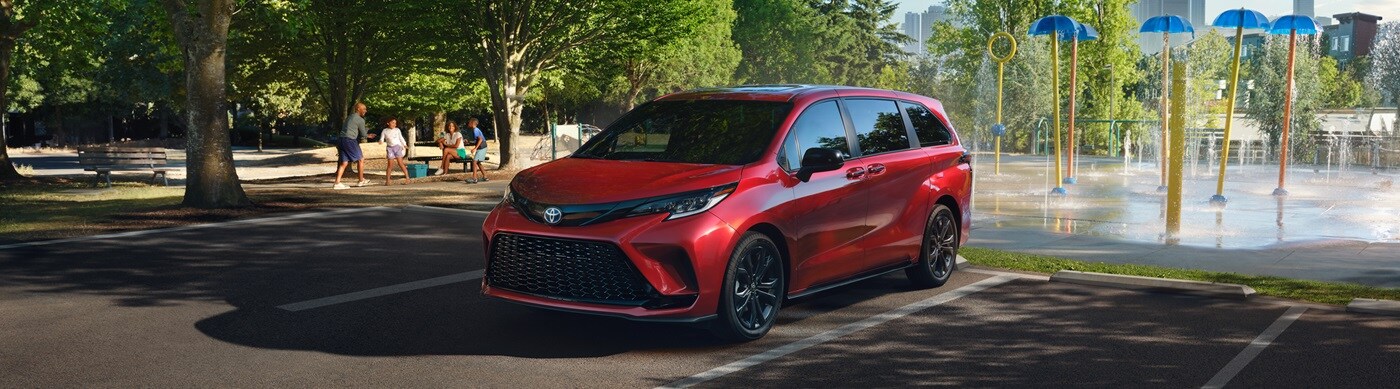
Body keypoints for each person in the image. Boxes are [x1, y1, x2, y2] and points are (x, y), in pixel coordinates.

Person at [333, 102, 375, 189]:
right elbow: (363, 134)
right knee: (361, 159)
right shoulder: (360, 120)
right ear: (358, 109)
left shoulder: (349, 117)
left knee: (344, 162)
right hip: (350, 140)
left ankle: (337, 183)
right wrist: (368, 135)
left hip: (341, 140)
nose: (365, 111)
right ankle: (361, 181)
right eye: (364, 109)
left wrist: (366, 135)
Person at [379, 117, 410, 185]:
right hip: (390, 148)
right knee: (390, 165)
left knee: (400, 163)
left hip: (397, 147)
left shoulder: (397, 130)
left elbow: (401, 138)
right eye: (393, 123)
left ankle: (407, 178)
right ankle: (388, 181)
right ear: (388, 123)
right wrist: (381, 141)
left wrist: (404, 144)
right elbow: (382, 138)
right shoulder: (385, 130)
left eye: (395, 123)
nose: (394, 124)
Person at [465, 118, 489, 184]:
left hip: (482, 147)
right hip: (482, 147)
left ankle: (474, 178)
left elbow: (480, 139)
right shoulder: (474, 130)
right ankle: (485, 176)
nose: (468, 123)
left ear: (473, 123)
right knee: (478, 162)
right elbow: (476, 140)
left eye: (469, 122)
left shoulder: (475, 130)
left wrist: (475, 148)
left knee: (474, 162)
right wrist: (468, 141)